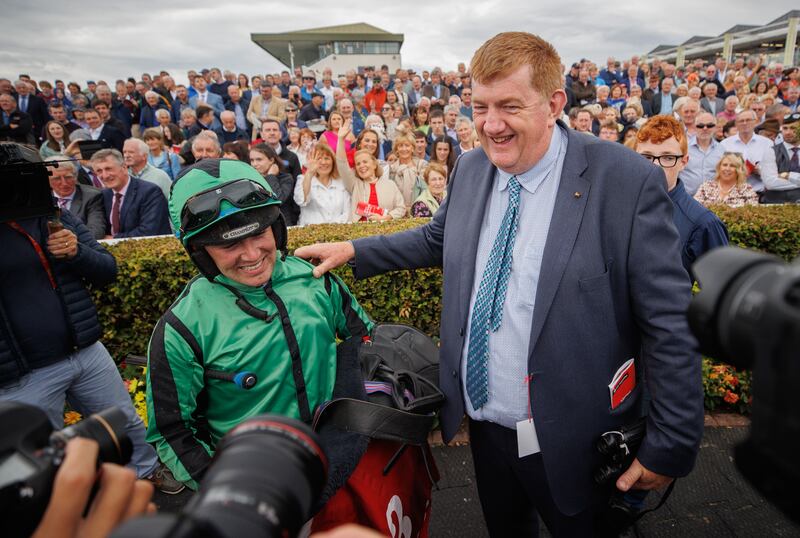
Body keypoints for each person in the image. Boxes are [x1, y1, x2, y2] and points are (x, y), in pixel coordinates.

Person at [296, 32, 704, 537]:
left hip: (579, 432)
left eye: (510, 106)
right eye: (480, 106)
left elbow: (669, 323)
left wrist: (670, 443)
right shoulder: (470, 167)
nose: (490, 125)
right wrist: (354, 250)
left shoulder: (624, 179)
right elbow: (438, 238)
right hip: (487, 426)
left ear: (554, 104)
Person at [145, 157, 373, 491]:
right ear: (200, 251)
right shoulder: (182, 327)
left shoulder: (315, 278)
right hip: (260, 487)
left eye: (259, 233)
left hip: (339, 464)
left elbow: (366, 343)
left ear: (276, 228)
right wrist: (230, 492)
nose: (252, 255)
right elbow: (172, 430)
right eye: (229, 244)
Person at [0, 145, 180, 495]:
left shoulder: (54, 216)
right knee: (40, 457)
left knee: (124, 422)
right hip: (22, 376)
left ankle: (145, 474)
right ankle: (67, 510)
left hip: (84, 352)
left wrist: (77, 252)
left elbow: (107, 269)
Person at [635, 115, 729, 276]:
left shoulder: (703, 223)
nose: (655, 166)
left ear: (683, 162)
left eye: (668, 157)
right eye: (646, 157)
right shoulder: (618, 208)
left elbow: (723, 283)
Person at [90, 149, 171, 238]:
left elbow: (150, 231)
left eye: (108, 169)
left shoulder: (150, 192)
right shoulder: (103, 195)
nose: (105, 175)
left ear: (124, 168)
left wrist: (114, 240)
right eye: (99, 171)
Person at [45, 156, 106, 239]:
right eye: (57, 178)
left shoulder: (92, 196)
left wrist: (68, 242)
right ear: (47, 181)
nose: (64, 183)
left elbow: (96, 231)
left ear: (76, 177)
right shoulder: (42, 200)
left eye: (68, 177)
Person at [293, 141, 351, 225]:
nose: (323, 162)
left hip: (338, 229)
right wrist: (309, 173)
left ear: (333, 161)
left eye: (327, 158)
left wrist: (331, 228)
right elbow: (301, 201)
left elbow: (347, 212)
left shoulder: (341, 182)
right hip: (310, 230)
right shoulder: (302, 179)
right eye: (319, 158)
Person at [680, 111, 725, 196]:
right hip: (687, 197)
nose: (705, 128)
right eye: (700, 126)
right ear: (694, 127)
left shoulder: (722, 149)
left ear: (715, 127)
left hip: (713, 198)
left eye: (709, 125)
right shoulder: (684, 147)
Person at [249, 143, 295, 225]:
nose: (254, 164)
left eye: (259, 159)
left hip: (281, 224)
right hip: (261, 225)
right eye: (252, 160)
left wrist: (271, 176)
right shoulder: (251, 179)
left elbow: (278, 199)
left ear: (271, 160)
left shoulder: (285, 178)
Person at [693, 152, 759, 208]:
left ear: (739, 170)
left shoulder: (747, 189)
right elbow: (694, 208)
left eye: (732, 166)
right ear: (719, 167)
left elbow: (753, 212)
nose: (727, 169)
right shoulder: (706, 186)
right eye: (724, 165)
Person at [389, 133, 428, 213]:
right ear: (396, 149)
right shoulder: (391, 169)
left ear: (412, 148)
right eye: (401, 146)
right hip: (397, 212)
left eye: (407, 145)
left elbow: (426, 191)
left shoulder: (422, 165)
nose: (404, 149)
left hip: (419, 211)